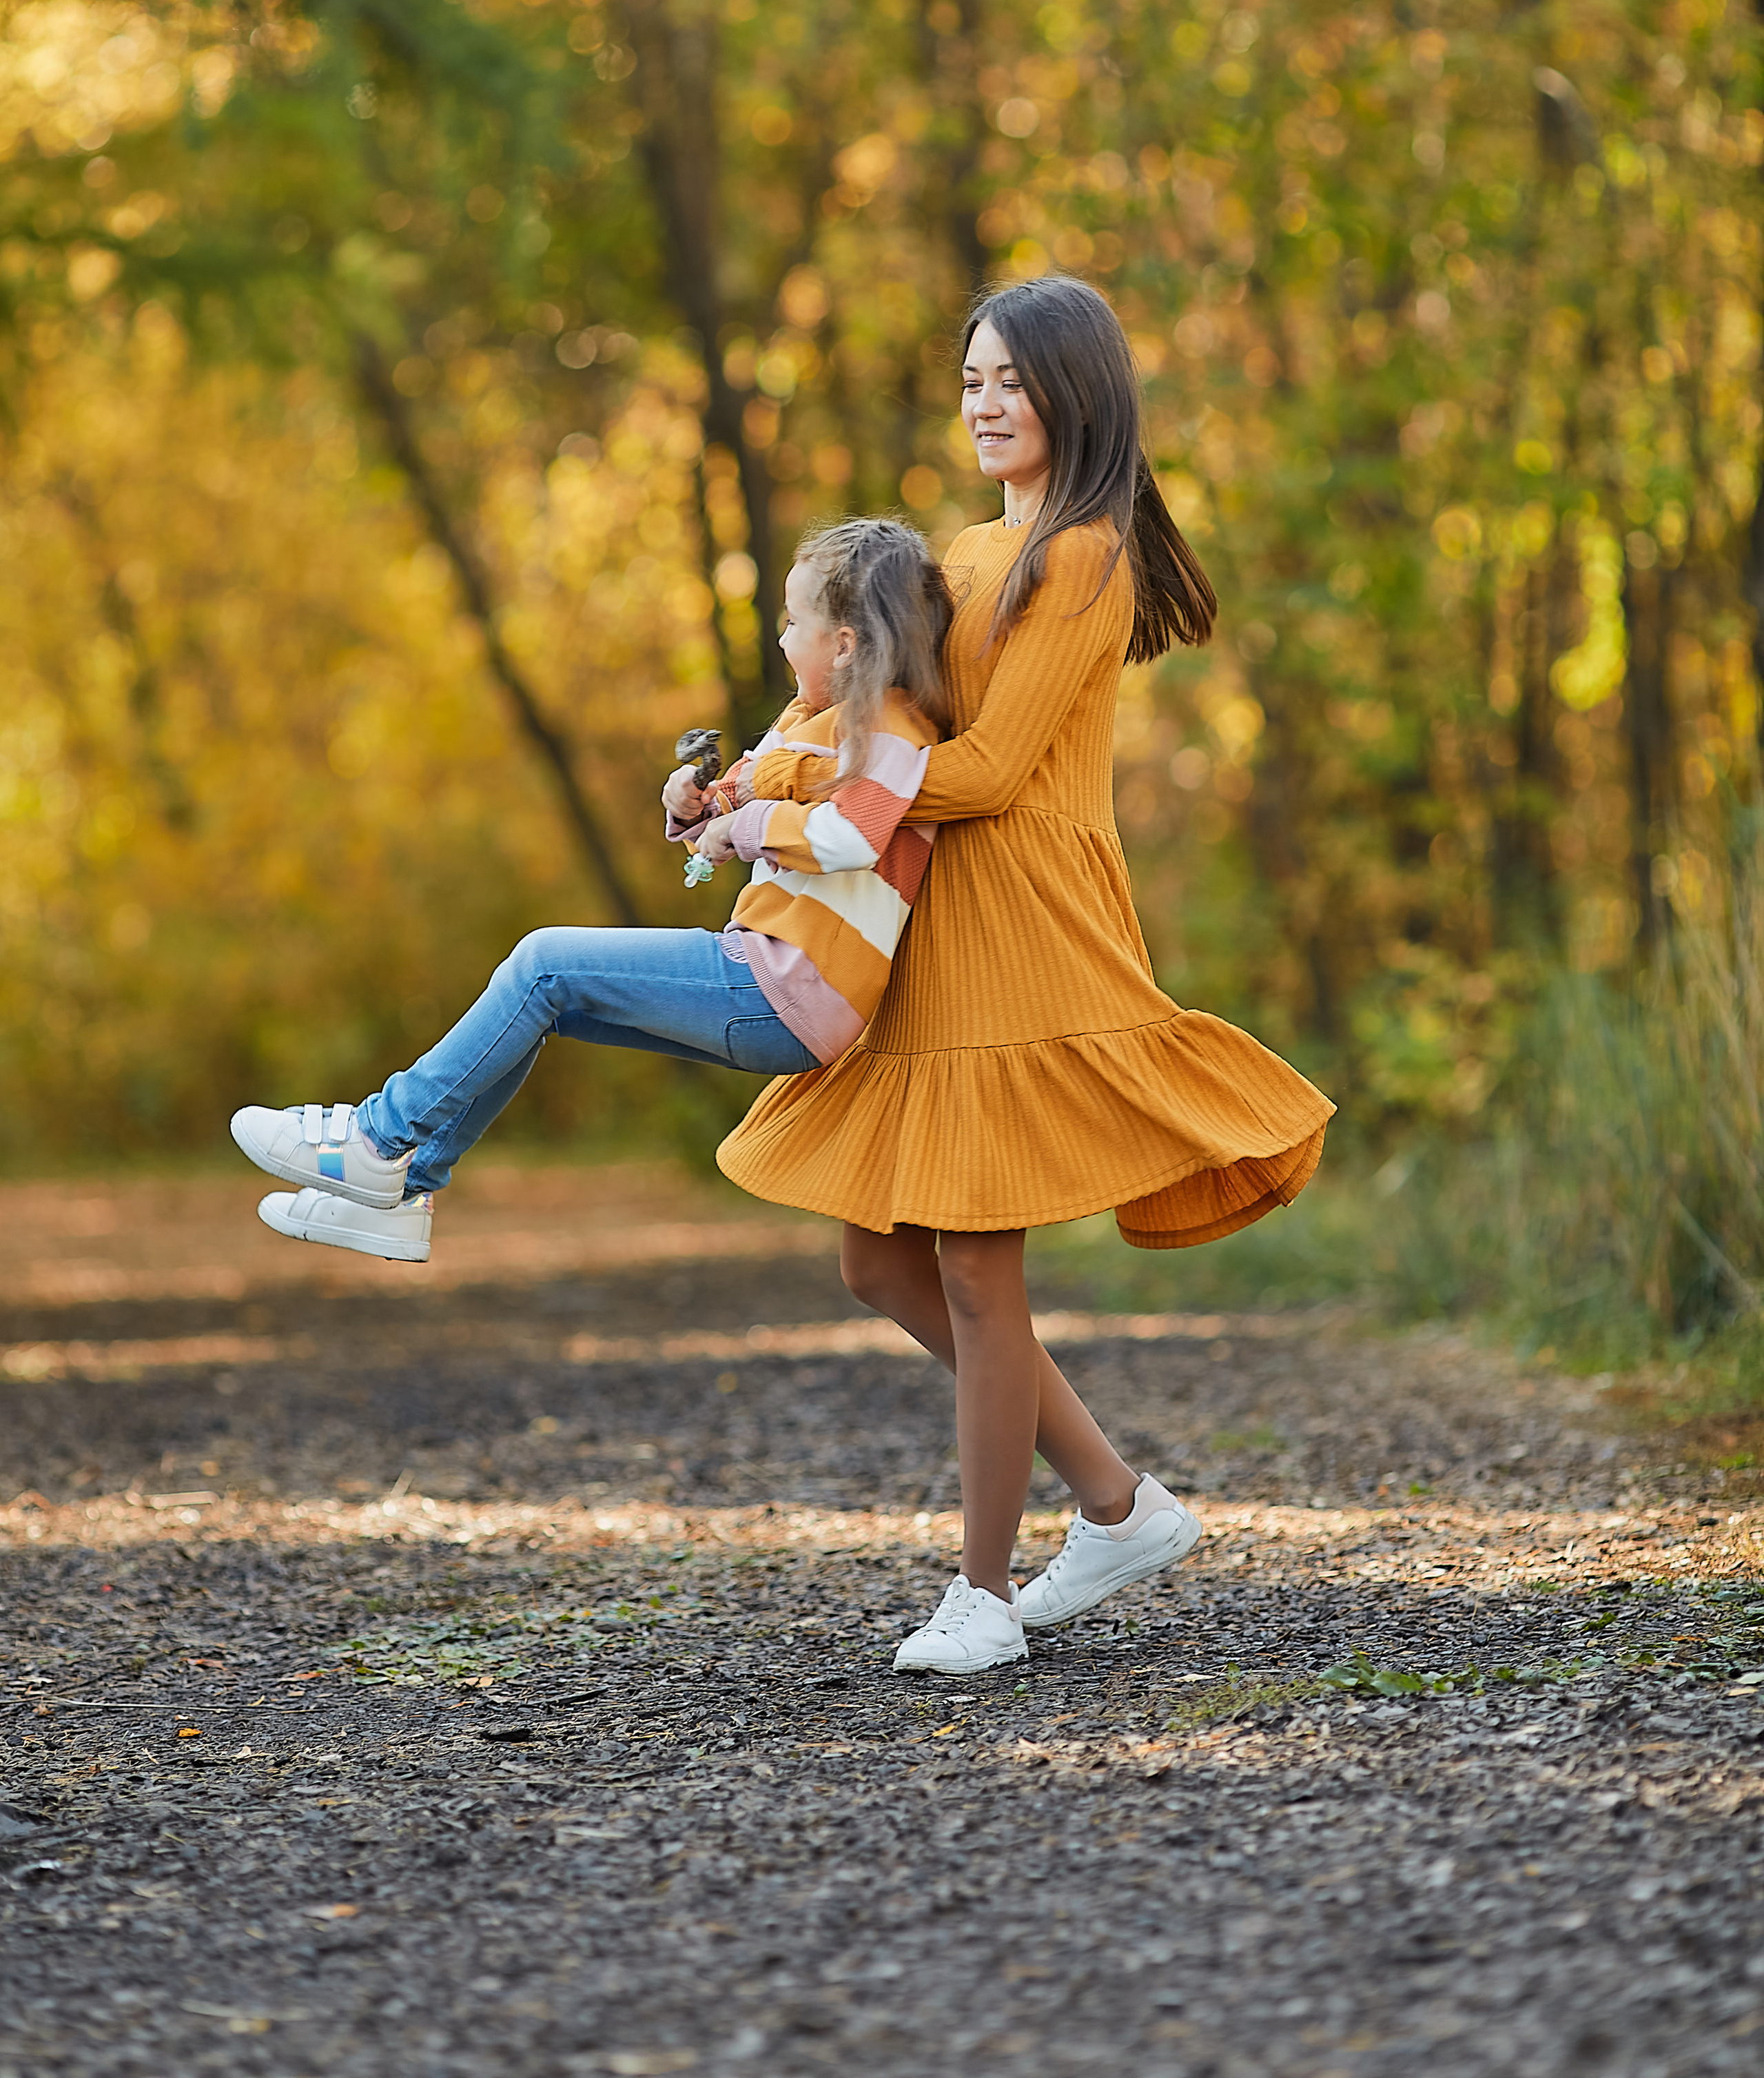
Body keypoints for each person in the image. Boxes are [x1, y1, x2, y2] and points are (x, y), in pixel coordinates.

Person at [719, 275, 1335, 1675]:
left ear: (1076, 393)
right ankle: (1115, 1503)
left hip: (1025, 924)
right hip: (930, 920)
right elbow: (878, 712)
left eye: (1011, 379)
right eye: (971, 379)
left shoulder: (1084, 559)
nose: (984, 403)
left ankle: (982, 1594)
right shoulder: (962, 548)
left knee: (975, 1271)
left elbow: (989, 771)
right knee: (878, 1261)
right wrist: (754, 776)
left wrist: (805, 789)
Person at [229, 518, 952, 1263]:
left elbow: (850, 838)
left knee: (544, 963)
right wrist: (695, 807)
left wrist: (744, 826)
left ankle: (376, 1139)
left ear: (845, 644)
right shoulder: (812, 723)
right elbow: (737, 808)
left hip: (789, 990)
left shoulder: (894, 729)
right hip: (768, 975)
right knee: (546, 999)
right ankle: (406, 1191)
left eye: (794, 623)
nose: (780, 638)